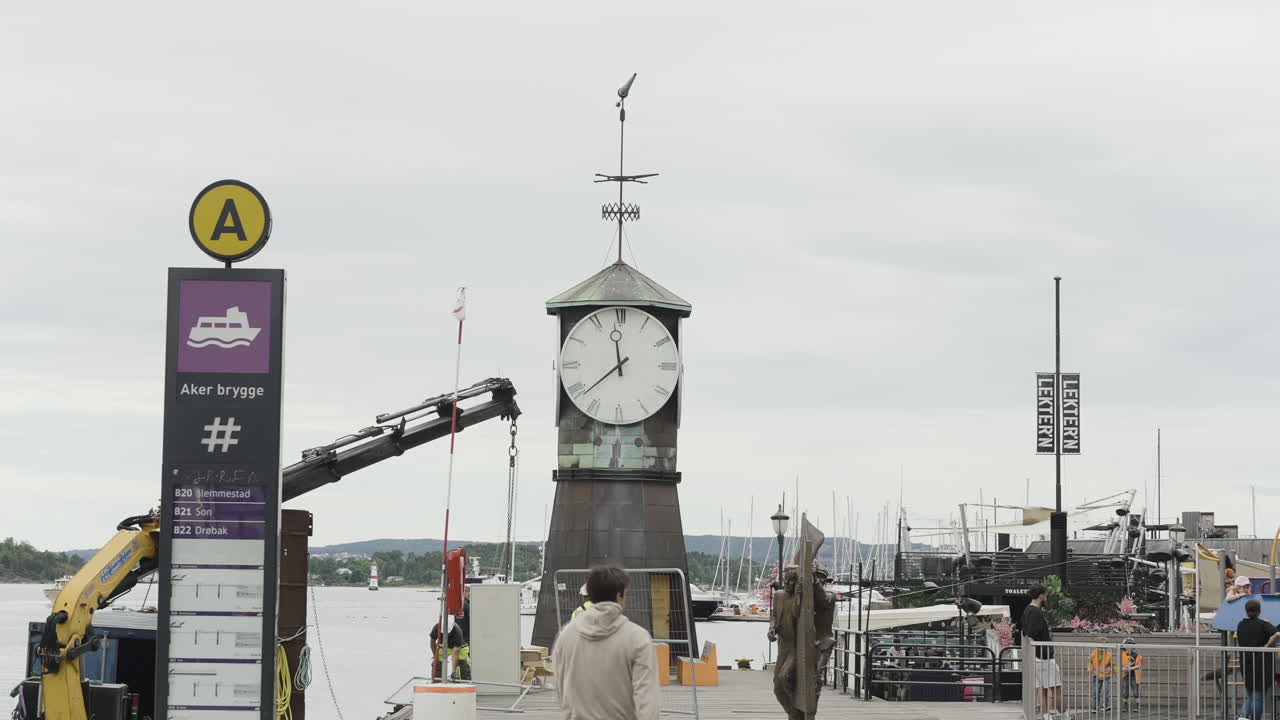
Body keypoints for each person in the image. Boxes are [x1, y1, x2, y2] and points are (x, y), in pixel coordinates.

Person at [553, 564, 658, 720]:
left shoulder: (566, 636)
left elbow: (561, 688)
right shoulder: (637, 638)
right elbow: (647, 698)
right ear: (619, 596)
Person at [1021, 584, 1062, 720]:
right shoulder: (1035, 611)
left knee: (1042, 689)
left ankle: (1046, 716)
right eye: (1045, 594)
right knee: (1056, 688)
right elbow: (1032, 631)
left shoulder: (1028, 610)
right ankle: (1065, 715)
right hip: (1043, 656)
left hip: (1037, 655)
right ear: (1041, 596)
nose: (1047, 596)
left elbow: (1025, 631)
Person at [1235, 598, 1280, 720]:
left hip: (1246, 662)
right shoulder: (1263, 624)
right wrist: (1267, 645)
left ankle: (1243, 717)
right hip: (1262, 664)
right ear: (1259, 611)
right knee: (1258, 696)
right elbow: (1277, 633)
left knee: (1250, 695)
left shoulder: (1240, 624)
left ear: (1246, 611)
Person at [454, 587, 472, 680]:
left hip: (458, 635)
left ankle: (457, 676)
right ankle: (466, 677)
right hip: (466, 635)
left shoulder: (459, 605)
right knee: (465, 657)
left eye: (469, 592)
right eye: (467, 592)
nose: (469, 594)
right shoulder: (466, 605)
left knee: (459, 656)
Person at [1088, 643, 1112, 712]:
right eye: (1100, 648)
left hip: (1106, 676)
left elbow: (1112, 665)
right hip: (1096, 676)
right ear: (1097, 648)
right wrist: (1090, 669)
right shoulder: (1093, 654)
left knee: (1105, 691)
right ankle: (1096, 707)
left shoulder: (1108, 655)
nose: (1101, 649)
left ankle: (1106, 706)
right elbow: (1090, 663)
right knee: (1096, 692)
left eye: (1103, 648)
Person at [1119, 638, 1142, 710]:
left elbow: (1139, 665)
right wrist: (1123, 669)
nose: (1129, 646)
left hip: (1134, 675)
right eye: (1127, 645)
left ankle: (1137, 705)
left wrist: (1130, 669)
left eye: (1131, 645)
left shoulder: (1136, 655)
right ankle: (1125, 705)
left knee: (1136, 690)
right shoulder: (1121, 655)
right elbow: (1118, 665)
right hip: (1124, 675)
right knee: (1125, 690)